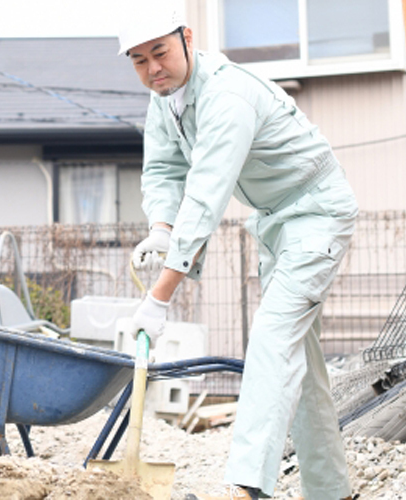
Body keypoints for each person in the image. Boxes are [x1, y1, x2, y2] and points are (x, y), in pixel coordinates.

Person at [121, 6, 357, 500]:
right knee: (302, 364)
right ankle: (332, 492)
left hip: (317, 214)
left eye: (160, 52)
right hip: (276, 223)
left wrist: (160, 297)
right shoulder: (165, 99)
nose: (153, 69)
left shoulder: (227, 95)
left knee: (271, 338)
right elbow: (163, 171)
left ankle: (247, 487)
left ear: (187, 38)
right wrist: (161, 229)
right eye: (139, 61)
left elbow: (207, 195)